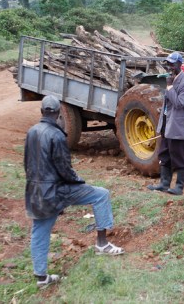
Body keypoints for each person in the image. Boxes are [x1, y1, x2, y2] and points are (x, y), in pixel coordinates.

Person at [25, 95, 124, 288]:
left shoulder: (31, 132)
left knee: (40, 230)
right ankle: (102, 244)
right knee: (100, 195)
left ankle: (41, 277)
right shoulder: (57, 135)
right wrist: (79, 182)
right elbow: (64, 169)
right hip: (56, 190)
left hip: (34, 190)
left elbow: (27, 164)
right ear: (57, 114)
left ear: (42, 112)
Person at [147, 52, 184, 196]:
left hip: (178, 125)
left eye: (172, 64)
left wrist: (169, 87)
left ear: (180, 64)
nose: (170, 67)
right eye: (168, 64)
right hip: (167, 123)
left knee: (178, 155)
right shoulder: (171, 79)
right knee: (164, 153)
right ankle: (164, 183)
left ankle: (179, 186)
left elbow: (179, 103)